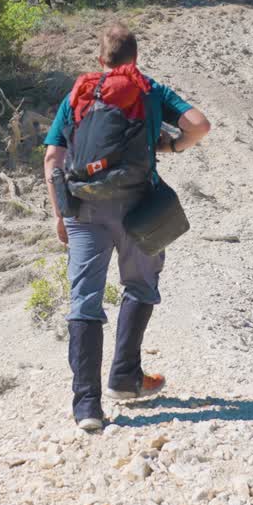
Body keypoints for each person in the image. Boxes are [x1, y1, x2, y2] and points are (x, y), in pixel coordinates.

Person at [42, 23, 211, 431]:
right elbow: (199, 125)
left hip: (84, 210)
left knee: (84, 301)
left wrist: (60, 213)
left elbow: (52, 159)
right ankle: (125, 377)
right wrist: (169, 145)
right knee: (140, 287)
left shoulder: (79, 93)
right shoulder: (149, 89)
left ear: (101, 59)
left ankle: (86, 407)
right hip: (139, 207)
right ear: (134, 58)